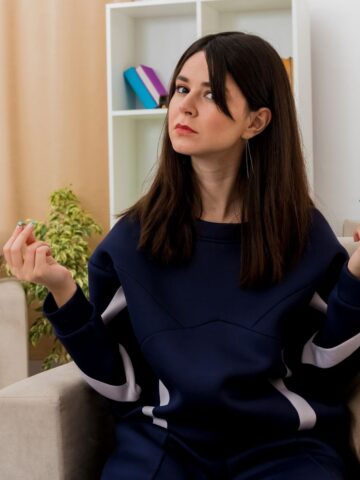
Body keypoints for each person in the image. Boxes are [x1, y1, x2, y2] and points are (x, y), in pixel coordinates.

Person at [3, 31, 360, 479]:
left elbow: (326, 373)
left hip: (283, 448)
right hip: (166, 444)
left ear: (257, 121)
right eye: (182, 89)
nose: (184, 106)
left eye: (210, 94)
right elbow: (122, 384)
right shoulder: (134, 238)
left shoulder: (302, 233)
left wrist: (357, 276)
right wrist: (60, 288)